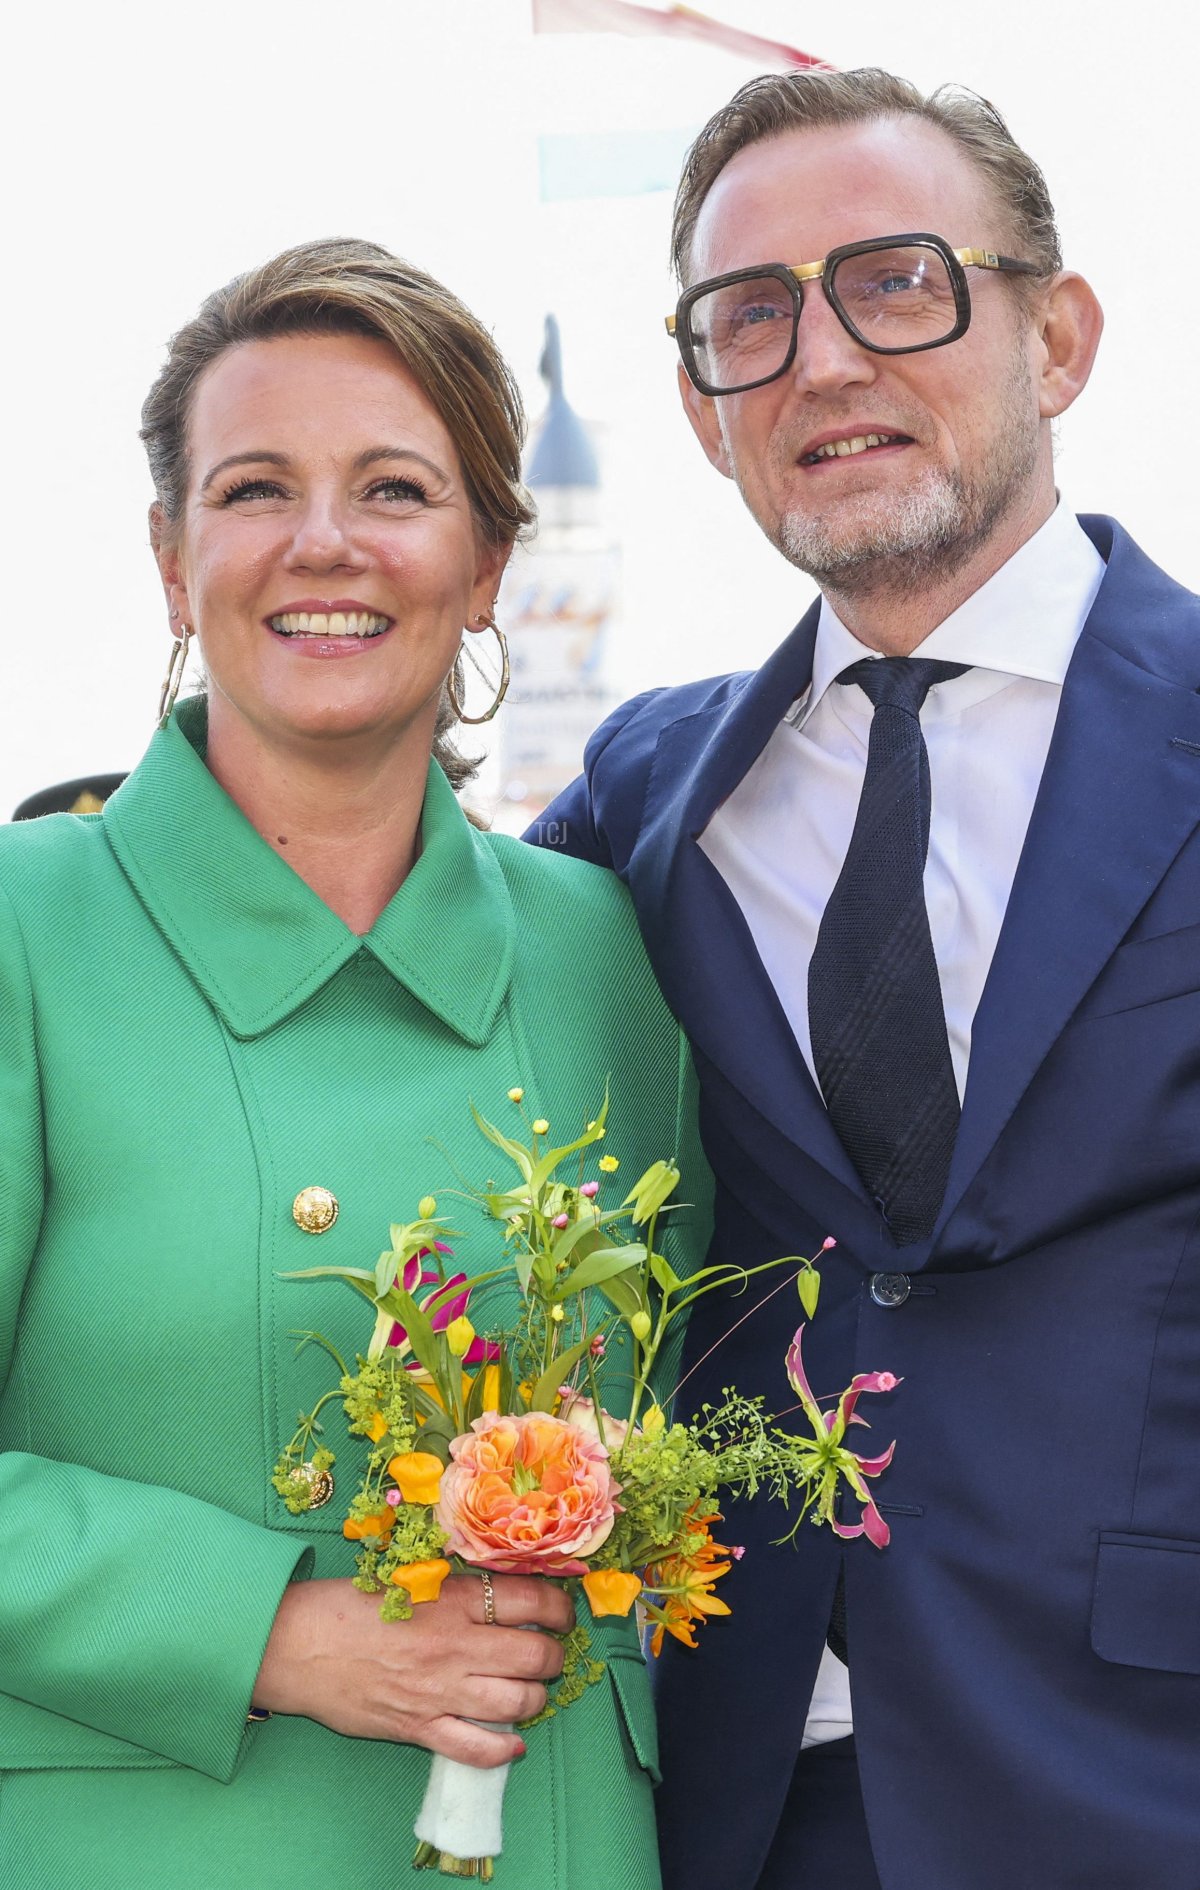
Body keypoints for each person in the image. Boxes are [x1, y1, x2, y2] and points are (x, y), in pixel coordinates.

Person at [532, 66, 1200, 1890]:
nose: (823, 360)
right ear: (699, 410)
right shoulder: (647, 804)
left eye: (896, 283)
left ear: (1055, 337)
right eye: (753, 318)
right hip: (741, 1803)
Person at [0, 238, 710, 1890]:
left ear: (486, 566)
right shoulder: (26, 930)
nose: (325, 542)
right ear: (173, 561)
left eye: (395, 487)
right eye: (254, 490)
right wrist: (277, 1632)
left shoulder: (622, 953)